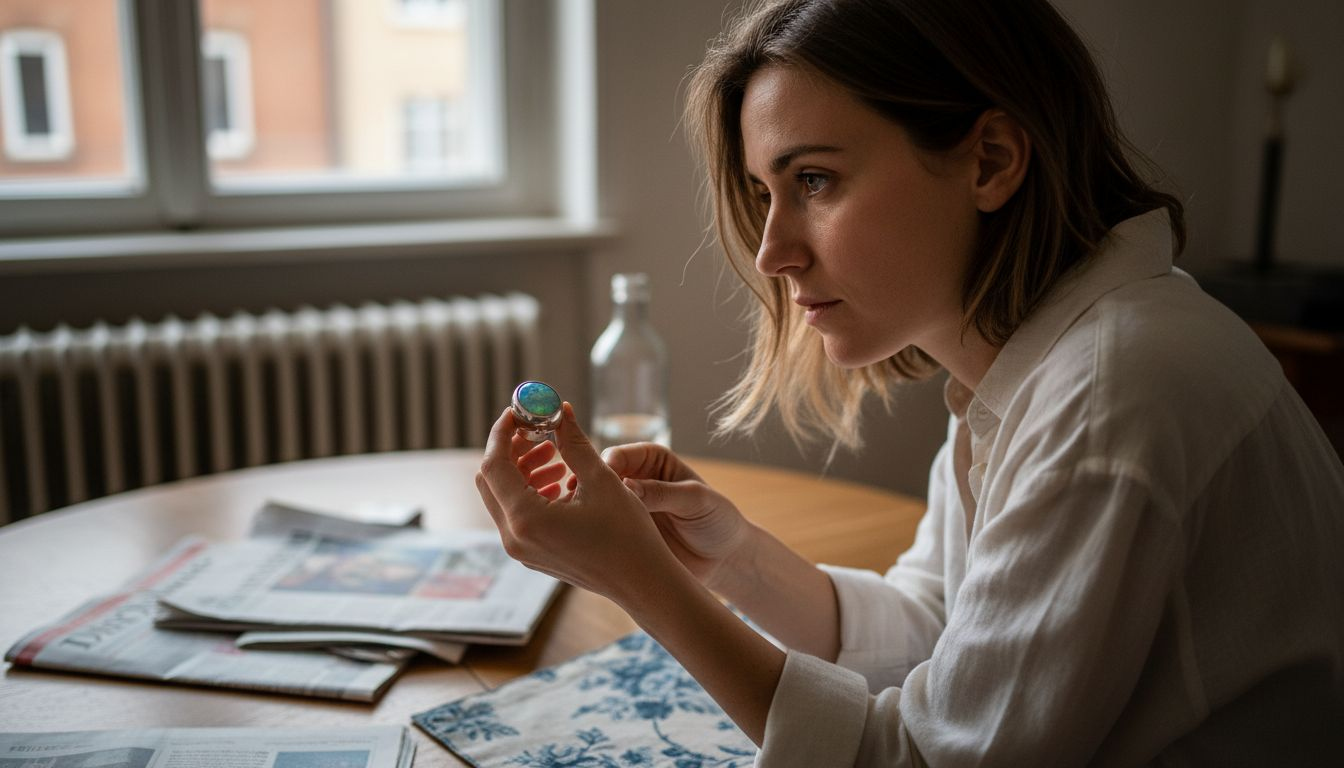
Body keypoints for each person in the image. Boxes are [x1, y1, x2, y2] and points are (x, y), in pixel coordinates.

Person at [475, 0, 1344, 764]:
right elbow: (939, 626)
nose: (772, 252)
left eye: (814, 180)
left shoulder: (1111, 396)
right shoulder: (1031, 365)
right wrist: (731, 559)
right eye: (765, 193)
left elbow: (925, 760)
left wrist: (642, 582)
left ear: (990, 161)